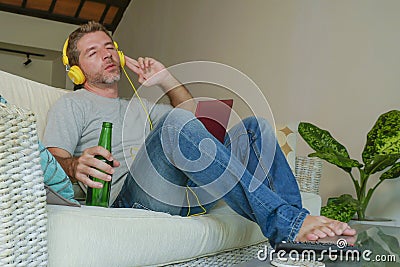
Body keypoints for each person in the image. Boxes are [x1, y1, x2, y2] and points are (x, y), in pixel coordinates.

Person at [43, 21, 355, 246]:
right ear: (77, 70)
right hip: (129, 200)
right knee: (173, 124)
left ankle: (297, 238)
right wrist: (74, 165)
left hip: (181, 189)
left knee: (256, 128)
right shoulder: (72, 104)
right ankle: (290, 224)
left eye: (110, 48)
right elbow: (53, 159)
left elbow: (197, 122)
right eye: (93, 52)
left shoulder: (139, 104)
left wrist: (166, 80)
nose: (107, 55)